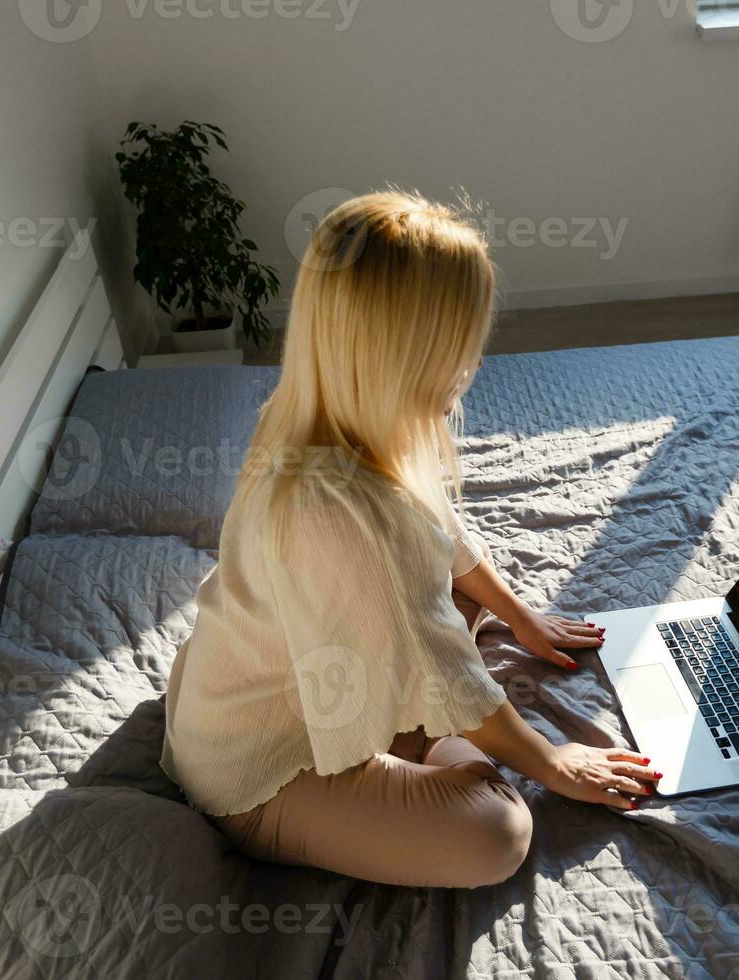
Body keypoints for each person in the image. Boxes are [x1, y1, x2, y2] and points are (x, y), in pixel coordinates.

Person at [160, 191, 657, 889]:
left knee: (452, 596)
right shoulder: (343, 514)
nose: (476, 361)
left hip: (250, 680)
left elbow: (440, 530)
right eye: (462, 345)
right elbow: (446, 669)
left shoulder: (319, 418)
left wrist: (521, 617)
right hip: (261, 769)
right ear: (408, 356)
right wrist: (550, 760)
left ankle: (415, 724)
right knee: (497, 834)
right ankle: (422, 742)